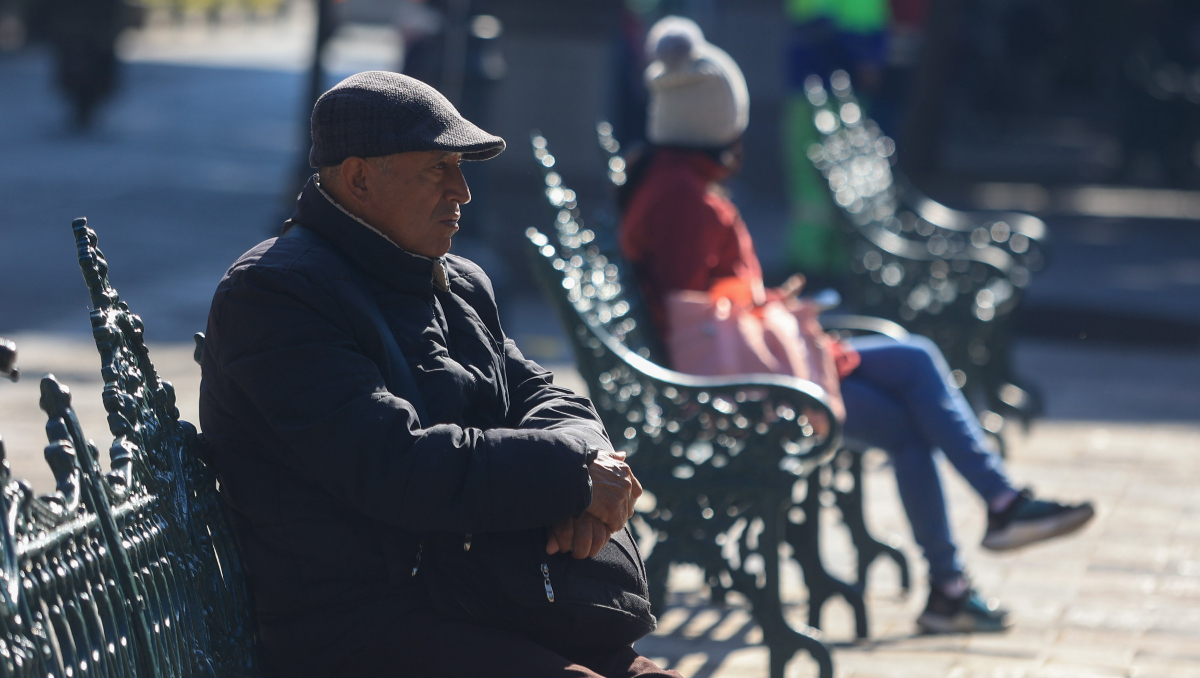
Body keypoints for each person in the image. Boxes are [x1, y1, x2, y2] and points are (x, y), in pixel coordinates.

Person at [619, 17, 1095, 634]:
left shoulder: (670, 182)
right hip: (746, 389)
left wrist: (764, 304)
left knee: (914, 365)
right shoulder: (684, 198)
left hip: (756, 366)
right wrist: (764, 305)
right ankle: (974, 550)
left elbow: (702, 304)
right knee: (910, 396)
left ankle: (985, 536)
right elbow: (697, 319)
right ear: (712, 120)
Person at [200, 71, 677, 678]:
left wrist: (590, 471)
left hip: (489, 593)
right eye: (437, 168)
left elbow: (545, 396)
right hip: (364, 630)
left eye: (461, 166)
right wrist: (570, 476)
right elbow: (396, 465)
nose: (462, 191)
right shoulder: (276, 293)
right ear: (358, 177)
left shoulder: (457, 279)